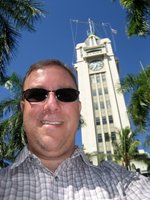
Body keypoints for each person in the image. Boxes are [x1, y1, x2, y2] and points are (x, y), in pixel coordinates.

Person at [0, 59, 150, 200]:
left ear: (78, 109)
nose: (52, 105)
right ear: (22, 108)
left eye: (65, 95)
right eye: (37, 95)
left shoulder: (122, 183)